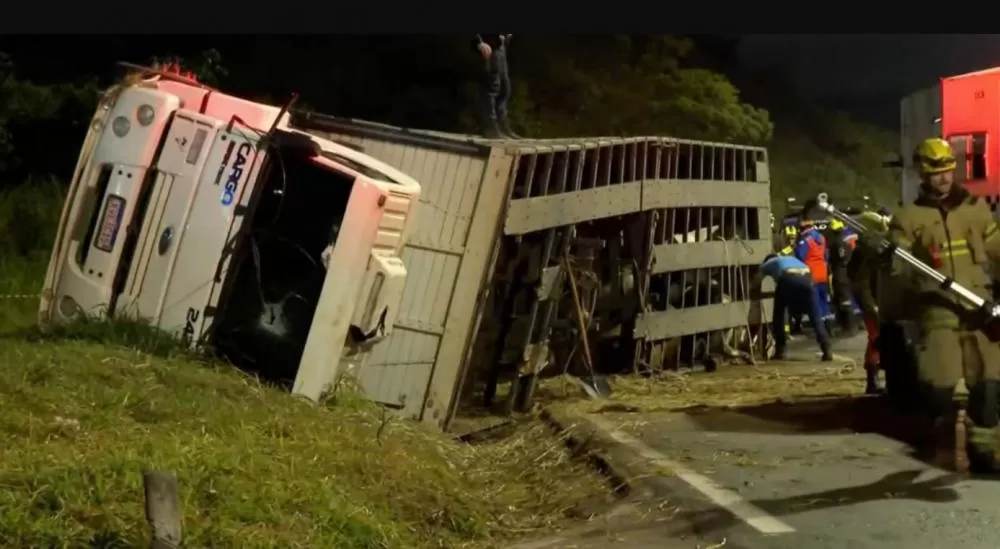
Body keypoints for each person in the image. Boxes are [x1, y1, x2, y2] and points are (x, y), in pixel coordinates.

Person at [889, 136, 1000, 473]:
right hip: (938, 306)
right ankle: (941, 443)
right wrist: (899, 265)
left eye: (949, 170)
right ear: (923, 174)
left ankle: (986, 450)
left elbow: (996, 246)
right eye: (936, 172)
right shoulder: (908, 218)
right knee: (941, 381)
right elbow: (899, 268)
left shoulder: (975, 209)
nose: (944, 177)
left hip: (978, 304)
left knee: (988, 380)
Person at [847, 210, 892, 394]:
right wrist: (871, 304)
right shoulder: (866, 253)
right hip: (874, 302)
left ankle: (882, 381)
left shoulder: (868, 250)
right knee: (876, 339)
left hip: (880, 300)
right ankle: (873, 381)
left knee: (883, 340)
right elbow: (861, 282)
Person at [758, 253, 833, 361]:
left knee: (779, 313)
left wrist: (749, 292)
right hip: (808, 279)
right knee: (815, 316)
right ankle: (826, 349)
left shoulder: (768, 263)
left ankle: (781, 350)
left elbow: (757, 279)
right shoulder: (793, 259)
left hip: (788, 278)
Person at [794, 212, 836, 336]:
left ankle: (821, 331)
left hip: (811, 275)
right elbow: (826, 255)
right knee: (824, 301)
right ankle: (829, 328)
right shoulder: (821, 238)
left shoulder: (804, 240)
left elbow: (800, 257)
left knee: (815, 303)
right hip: (823, 273)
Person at [473, 34, 519, 139]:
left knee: (505, 90)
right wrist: (478, 42)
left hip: (501, 47)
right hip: (489, 47)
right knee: (492, 89)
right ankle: (490, 128)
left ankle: (503, 127)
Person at [828, 218, 861, 333]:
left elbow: (840, 258)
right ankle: (845, 324)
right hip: (843, 272)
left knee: (844, 299)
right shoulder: (843, 242)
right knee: (840, 299)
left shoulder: (837, 243)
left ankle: (849, 326)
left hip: (840, 273)